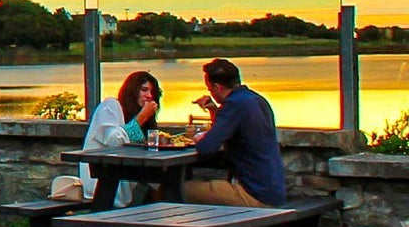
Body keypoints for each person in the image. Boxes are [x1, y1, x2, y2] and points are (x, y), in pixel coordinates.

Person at [183, 57, 285, 207]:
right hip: (272, 192)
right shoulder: (256, 99)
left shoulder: (234, 104)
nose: (210, 92)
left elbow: (206, 148)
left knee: (176, 189)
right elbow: (231, 127)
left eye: (210, 88)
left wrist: (199, 138)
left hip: (255, 195)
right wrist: (213, 110)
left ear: (217, 87)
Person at [49, 70, 159, 206]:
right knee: (156, 183)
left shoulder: (135, 117)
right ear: (133, 90)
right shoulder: (111, 106)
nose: (149, 96)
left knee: (160, 181)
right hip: (100, 180)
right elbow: (114, 141)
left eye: (152, 92)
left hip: (125, 179)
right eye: (144, 90)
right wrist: (141, 117)